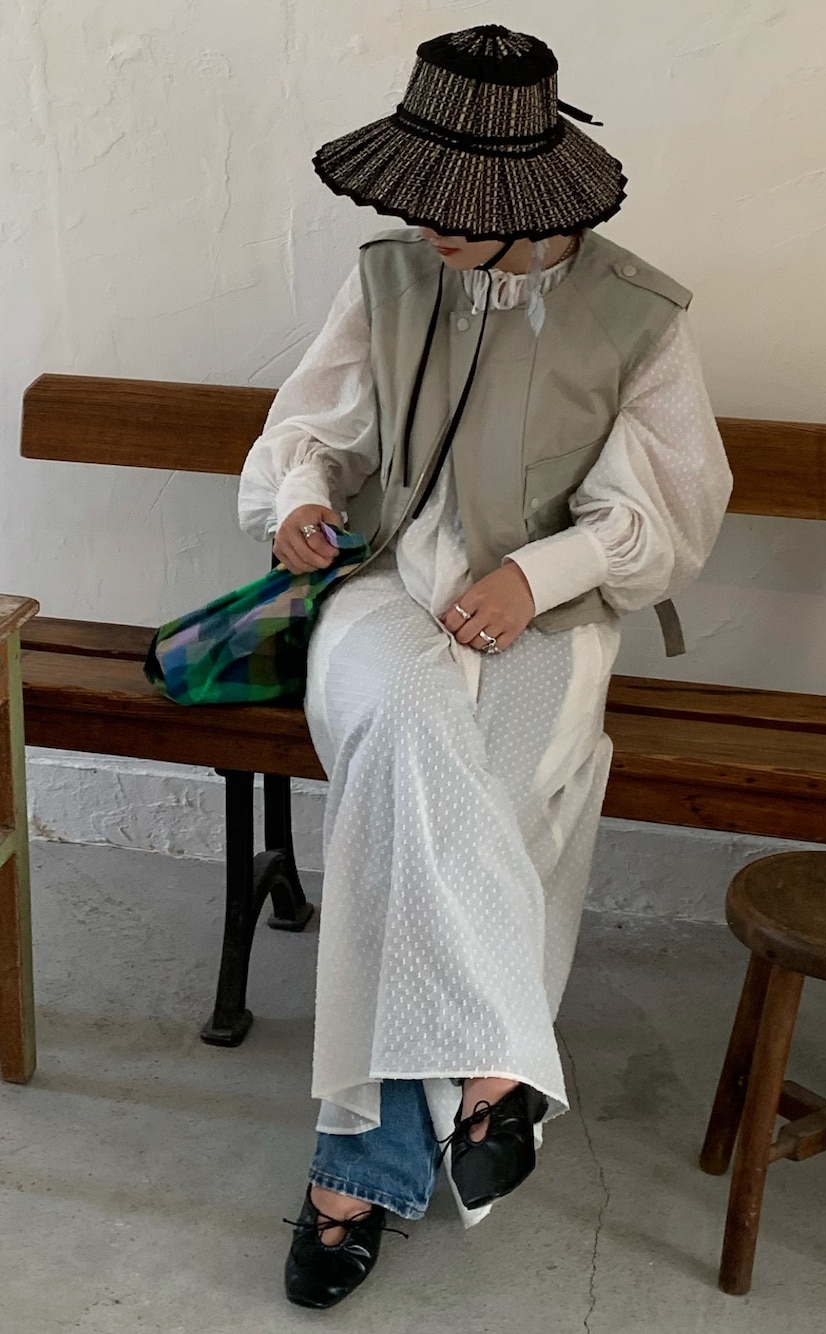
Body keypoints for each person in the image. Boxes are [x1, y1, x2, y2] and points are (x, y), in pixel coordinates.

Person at [238, 23, 732, 1312]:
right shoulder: (393, 280)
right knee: (414, 733)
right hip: (383, 601)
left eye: (449, 203)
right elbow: (314, 429)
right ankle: (495, 1071)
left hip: (551, 625)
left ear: (523, 198)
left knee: (436, 805)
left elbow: (664, 513)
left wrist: (537, 578)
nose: (422, 221)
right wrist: (302, 498)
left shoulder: (638, 318)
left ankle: (358, 1171)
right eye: (415, 194)